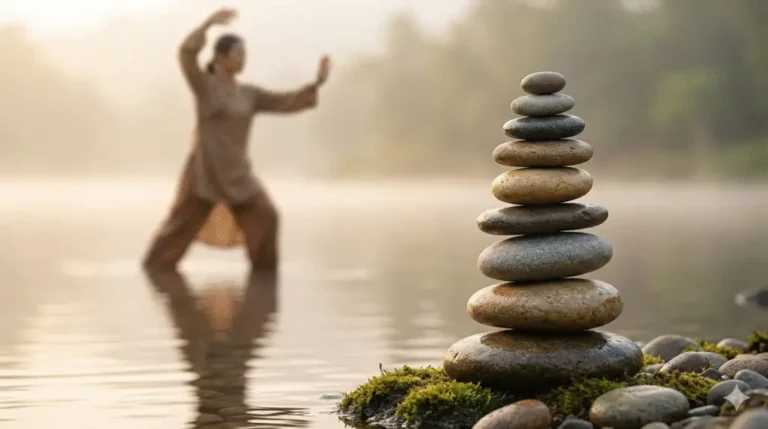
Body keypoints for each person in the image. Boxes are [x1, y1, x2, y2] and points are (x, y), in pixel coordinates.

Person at [143, 8, 331, 271]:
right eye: (238, 53)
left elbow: (284, 101)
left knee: (268, 216)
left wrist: (317, 84)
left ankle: (264, 279)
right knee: (175, 232)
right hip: (206, 174)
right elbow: (186, 55)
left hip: (238, 174)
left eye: (245, 54)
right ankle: (154, 273)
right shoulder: (204, 86)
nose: (243, 59)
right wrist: (207, 24)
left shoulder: (248, 94)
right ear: (220, 58)